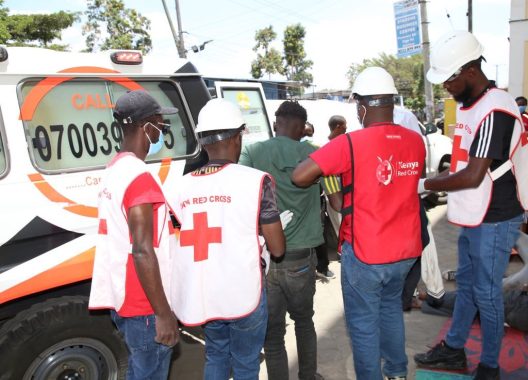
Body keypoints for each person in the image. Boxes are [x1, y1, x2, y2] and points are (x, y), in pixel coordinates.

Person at [292, 66, 425, 380]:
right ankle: (396, 373)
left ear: (362, 107)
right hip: (406, 251)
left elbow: (300, 176)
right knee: (391, 310)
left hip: (367, 251)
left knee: (363, 325)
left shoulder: (349, 143)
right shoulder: (416, 142)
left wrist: (331, 170)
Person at [413, 30, 524, 380]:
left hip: (494, 215)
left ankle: (490, 365)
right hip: (474, 212)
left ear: (470, 72)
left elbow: (475, 174)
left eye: (449, 78)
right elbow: (466, 164)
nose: (445, 85)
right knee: (470, 285)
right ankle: (454, 348)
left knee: (487, 293)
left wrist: (424, 184)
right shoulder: (469, 104)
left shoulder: (496, 109)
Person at [165, 98, 285, 379]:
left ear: (202, 141)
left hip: (204, 296)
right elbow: (278, 248)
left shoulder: (178, 187)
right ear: (236, 137)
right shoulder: (256, 181)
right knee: (245, 363)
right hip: (244, 294)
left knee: (216, 355)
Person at [88, 90, 179, 379]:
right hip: (145, 306)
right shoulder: (139, 177)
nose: (163, 130)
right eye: (161, 124)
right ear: (147, 126)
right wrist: (163, 314)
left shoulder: (114, 169)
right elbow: (142, 249)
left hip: (124, 297)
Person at [239, 100, 324, 380]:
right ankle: (308, 376)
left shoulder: (253, 151)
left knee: (273, 334)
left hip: (265, 257)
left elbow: (243, 197)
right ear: (303, 128)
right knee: (304, 322)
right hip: (300, 256)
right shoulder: (317, 154)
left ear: (276, 124)